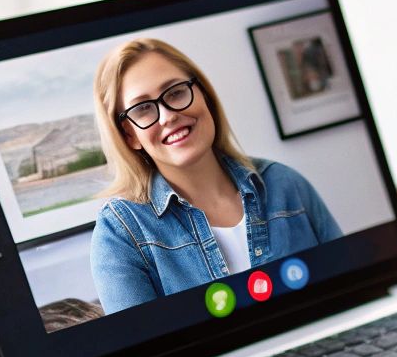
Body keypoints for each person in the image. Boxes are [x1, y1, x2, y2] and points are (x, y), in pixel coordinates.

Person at [88, 38, 342, 313]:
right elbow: (142, 341)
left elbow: (348, 288)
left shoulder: (285, 184)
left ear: (204, 95)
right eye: (143, 109)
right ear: (129, 135)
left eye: (175, 92)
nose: (167, 116)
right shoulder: (119, 233)